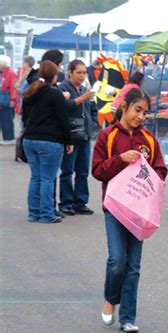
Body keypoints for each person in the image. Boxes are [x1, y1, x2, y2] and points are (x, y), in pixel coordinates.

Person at [92, 88, 167, 333]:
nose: (142, 116)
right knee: (117, 260)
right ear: (124, 107)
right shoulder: (108, 136)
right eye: (138, 110)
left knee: (133, 265)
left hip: (139, 212)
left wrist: (150, 175)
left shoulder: (149, 140)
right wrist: (121, 159)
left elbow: (161, 171)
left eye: (145, 112)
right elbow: (98, 170)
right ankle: (110, 300)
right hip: (114, 207)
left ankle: (128, 317)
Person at [21, 61, 73, 223]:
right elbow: (63, 120)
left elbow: (24, 118)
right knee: (47, 179)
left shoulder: (31, 92)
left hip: (30, 139)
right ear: (55, 76)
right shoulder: (55, 94)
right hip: (50, 141)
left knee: (35, 177)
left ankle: (34, 213)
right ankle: (46, 214)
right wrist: (68, 141)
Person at [57, 59, 98, 216]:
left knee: (83, 171)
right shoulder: (63, 88)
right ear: (70, 73)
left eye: (84, 73)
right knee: (67, 170)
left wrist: (93, 123)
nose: (82, 76)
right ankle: (66, 202)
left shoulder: (85, 89)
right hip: (71, 136)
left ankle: (80, 202)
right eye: (78, 73)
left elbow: (93, 108)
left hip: (85, 135)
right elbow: (63, 108)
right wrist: (81, 99)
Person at [0, 55, 19, 145]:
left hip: (7, 98)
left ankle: (9, 138)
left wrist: (13, 99)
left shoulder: (12, 74)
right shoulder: (2, 73)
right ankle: (6, 137)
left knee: (7, 119)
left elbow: (15, 88)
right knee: (3, 119)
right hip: (2, 98)